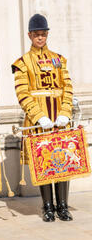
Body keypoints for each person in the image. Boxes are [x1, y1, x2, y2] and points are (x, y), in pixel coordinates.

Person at [12, 14, 74, 222]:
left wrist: (65, 113)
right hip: (39, 120)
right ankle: (47, 206)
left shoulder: (58, 59)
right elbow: (22, 93)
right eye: (36, 35)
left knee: (62, 162)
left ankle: (63, 205)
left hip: (60, 118)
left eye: (43, 34)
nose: (40, 38)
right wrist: (39, 117)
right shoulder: (23, 63)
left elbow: (68, 88)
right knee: (45, 163)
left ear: (47, 34)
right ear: (29, 35)